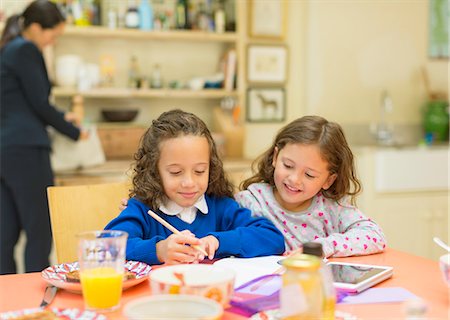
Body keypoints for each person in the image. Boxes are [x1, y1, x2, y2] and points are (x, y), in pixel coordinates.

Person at [105, 109, 285, 265]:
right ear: (154, 171)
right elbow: (107, 246)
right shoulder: (142, 209)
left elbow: (272, 238)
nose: (189, 182)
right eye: (176, 172)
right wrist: (158, 250)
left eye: (199, 171)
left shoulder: (221, 207)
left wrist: (219, 241)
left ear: (211, 167)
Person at [0, 0, 87, 274]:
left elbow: (23, 104)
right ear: (36, 28)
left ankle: (8, 302)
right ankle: (39, 300)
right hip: (26, 149)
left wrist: (61, 117)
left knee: (5, 233)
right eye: (53, 34)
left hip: (5, 150)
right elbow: (40, 103)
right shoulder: (26, 49)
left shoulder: (7, 50)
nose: (52, 41)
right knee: (39, 231)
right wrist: (75, 131)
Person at [235, 115, 386, 258]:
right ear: (275, 157)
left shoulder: (331, 208)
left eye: (309, 175)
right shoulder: (251, 202)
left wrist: (323, 247)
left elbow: (375, 235)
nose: (294, 179)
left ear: (329, 180)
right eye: (288, 165)